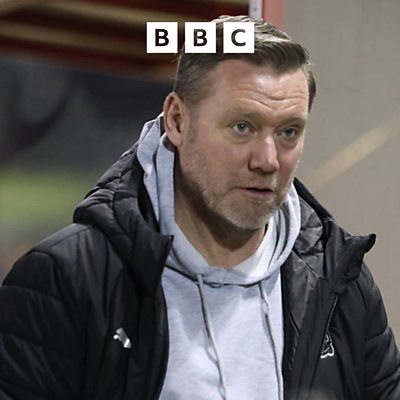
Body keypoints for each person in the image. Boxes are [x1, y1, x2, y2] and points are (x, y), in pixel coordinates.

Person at [0, 15, 399, 400]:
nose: (267, 160)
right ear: (176, 120)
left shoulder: (341, 285)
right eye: (242, 127)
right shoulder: (67, 279)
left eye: (288, 132)